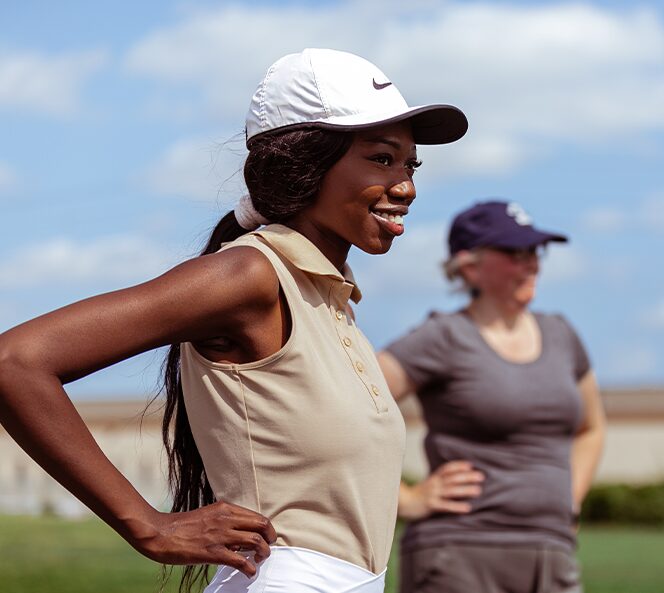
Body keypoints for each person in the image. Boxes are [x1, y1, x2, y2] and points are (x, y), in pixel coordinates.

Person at [0, 48, 467, 593]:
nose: (406, 185)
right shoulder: (250, 274)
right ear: (303, 165)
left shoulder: (327, 296)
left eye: (410, 164)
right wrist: (147, 526)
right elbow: (16, 362)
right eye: (382, 159)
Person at [378, 201, 605, 593]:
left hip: (551, 551)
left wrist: (570, 499)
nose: (532, 263)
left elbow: (591, 427)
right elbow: (349, 404)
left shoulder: (562, 335)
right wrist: (407, 499)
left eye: (535, 252)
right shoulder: (442, 337)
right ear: (470, 266)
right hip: (457, 554)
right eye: (516, 254)